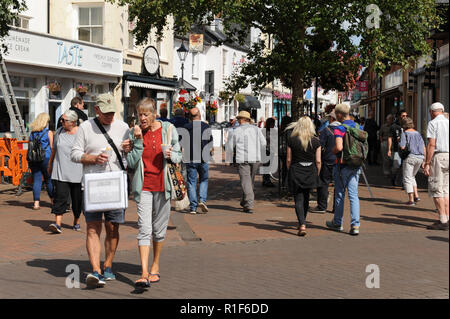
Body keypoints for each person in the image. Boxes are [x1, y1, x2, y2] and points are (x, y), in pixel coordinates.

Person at [71, 93, 131, 288]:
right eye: (106, 113)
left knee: (113, 227)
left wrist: (130, 148)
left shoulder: (123, 127)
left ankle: (108, 265)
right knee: (92, 227)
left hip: (115, 184)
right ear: (96, 110)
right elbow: (74, 154)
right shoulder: (85, 127)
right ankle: (96, 270)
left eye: (112, 112)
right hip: (92, 185)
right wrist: (93, 158)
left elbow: (132, 157)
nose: (110, 116)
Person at [126, 98, 182, 287]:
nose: (142, 118)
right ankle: (143, 273)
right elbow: (132, 163)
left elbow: (179, 155)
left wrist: (171, 155)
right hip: (143, 187)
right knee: (144, 228)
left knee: (159, 230)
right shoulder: (134, 132)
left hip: (163, 186)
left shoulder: (168, 130)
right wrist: (138, 141)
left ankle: (155, 265)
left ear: (154, 113)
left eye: (146, 114)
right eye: (139, 114)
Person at [326, 103, 362, 236]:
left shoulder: (340, 128)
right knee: (354, 195)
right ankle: (355, 225)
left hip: (342, 165)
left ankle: (337, 222)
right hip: (356, 164)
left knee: (340, 194)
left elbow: (339, 147)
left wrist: (332, 150)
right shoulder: (358, 127)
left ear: (340, 115)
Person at [47, 110, 83, 233]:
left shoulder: (81, 133)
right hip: (61, 171)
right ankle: (58, 224)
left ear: (73, 122)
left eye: (64, 120)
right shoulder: (59, 132)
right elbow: (54, 149)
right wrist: (50, 163)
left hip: (78, 173)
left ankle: (76, 220)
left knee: (77, 201)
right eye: (61, 120)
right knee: (60, 197)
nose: (61, 122)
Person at [286, 117, 321, 236]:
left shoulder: (292, 140)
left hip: (296, 169)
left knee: (298, 198)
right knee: (306, 198)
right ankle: (303, 222)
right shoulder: (316, 141)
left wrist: (289, 170)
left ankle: (302, 223)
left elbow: (289, 159)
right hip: (310, 170)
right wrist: (317, 173)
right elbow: (318, 161)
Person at [226, 111, 266, 213]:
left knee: (246, 181)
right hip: (255, 158)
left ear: (242, 119)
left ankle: (249, 203)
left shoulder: (236, 130)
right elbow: (264, 143)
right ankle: (245, 201)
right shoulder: (256, 129)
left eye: (239, 119)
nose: (238, 121)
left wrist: (229, 158)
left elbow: (230, 146)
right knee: (249, 181)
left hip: (242, 158)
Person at [422, 102, 449, 230]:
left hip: (439, 157)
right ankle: (447, 218)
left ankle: (443, 220)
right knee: (446, 189)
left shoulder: (433, 123)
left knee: (436, 188)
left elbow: (432, 144)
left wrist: (427, 162)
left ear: (432, 112)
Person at [183, 107, 213, 214]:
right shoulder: (205, 126)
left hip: (190, 157)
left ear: (190, 117)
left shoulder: (186, 127)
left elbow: (182, 143)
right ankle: (202, 200)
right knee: (204, 179)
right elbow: (210, 142)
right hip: (203, 156)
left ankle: (193, 207)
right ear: (200, 114)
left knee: (191, 182)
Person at [310, 110, 338, 213]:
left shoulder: (326, 130)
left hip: (327, 160)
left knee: (323, 183)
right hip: (339, 161)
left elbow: (320, 145)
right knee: (338, 185)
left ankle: (322, 206)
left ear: (331, 119)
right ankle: (337, 208)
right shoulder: (343, 129)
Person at [28, 113, 54, 210]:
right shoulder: (49, 132)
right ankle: (52, 200)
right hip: (46, 157)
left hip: (34, 158)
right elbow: (52, 147)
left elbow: (30, 144)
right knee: (48, 180)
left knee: (37, 179)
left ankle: (36, 203)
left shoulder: (32, 133)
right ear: (45, 122)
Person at [399, 117, 426, 206]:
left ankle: (411, 200)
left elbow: (403, 147)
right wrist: (425, 160)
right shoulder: (418, 133)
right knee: (412, 176)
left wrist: (399, 141)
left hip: (410, 157)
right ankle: (416, 195)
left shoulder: (404, 134)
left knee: (407, 177)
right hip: (420, 157)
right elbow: (423, 147)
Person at [387, 114, 403, 186]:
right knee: (396, 166)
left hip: (406, 151)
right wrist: (389, 149)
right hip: (397, 149)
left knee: (404, 167)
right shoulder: (394, 127)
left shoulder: (408, 126)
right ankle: (393, 178)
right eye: (403, 116)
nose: (404, 117)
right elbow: (390, 138)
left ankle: (404, 183)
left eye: (406, 116)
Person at [262, 117, 276, 187]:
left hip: (271, 149)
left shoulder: (272, 131)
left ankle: (266, 180)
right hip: (266, 150)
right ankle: (266, 180)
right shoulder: (265, 131)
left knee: (268, 166)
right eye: (272, 124)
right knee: (266, 165)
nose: (273, 125)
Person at [279, 115, 293, 189]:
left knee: (284, 167)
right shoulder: (289, 131)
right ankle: (288, 184)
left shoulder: (281, 129)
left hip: (281, 151)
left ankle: (283, 183)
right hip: (286, 151)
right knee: (288, 168)